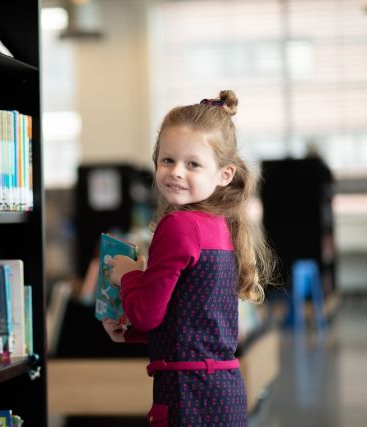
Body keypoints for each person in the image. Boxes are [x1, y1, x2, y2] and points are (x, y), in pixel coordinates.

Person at [102, 90, 276, 426]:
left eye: (192, 164)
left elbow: (146, 313)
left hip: (188, 395)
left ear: (224, 174)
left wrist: (128, 274)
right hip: (222, 389)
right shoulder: (220, 225)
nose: (176, 172)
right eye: (167, 160)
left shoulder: (178, 225)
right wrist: (132, 332)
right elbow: (196, 320)